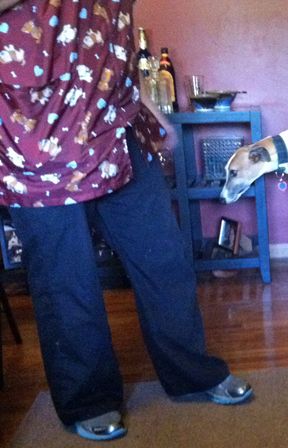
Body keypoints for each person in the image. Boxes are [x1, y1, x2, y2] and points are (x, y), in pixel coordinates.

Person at [0, 0, 252, 441]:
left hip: (115, 125)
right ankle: (89, 399)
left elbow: (109, 40)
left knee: (165, 259)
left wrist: (154, 115)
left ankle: (192, 374)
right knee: (65, 279)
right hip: (35, 133)